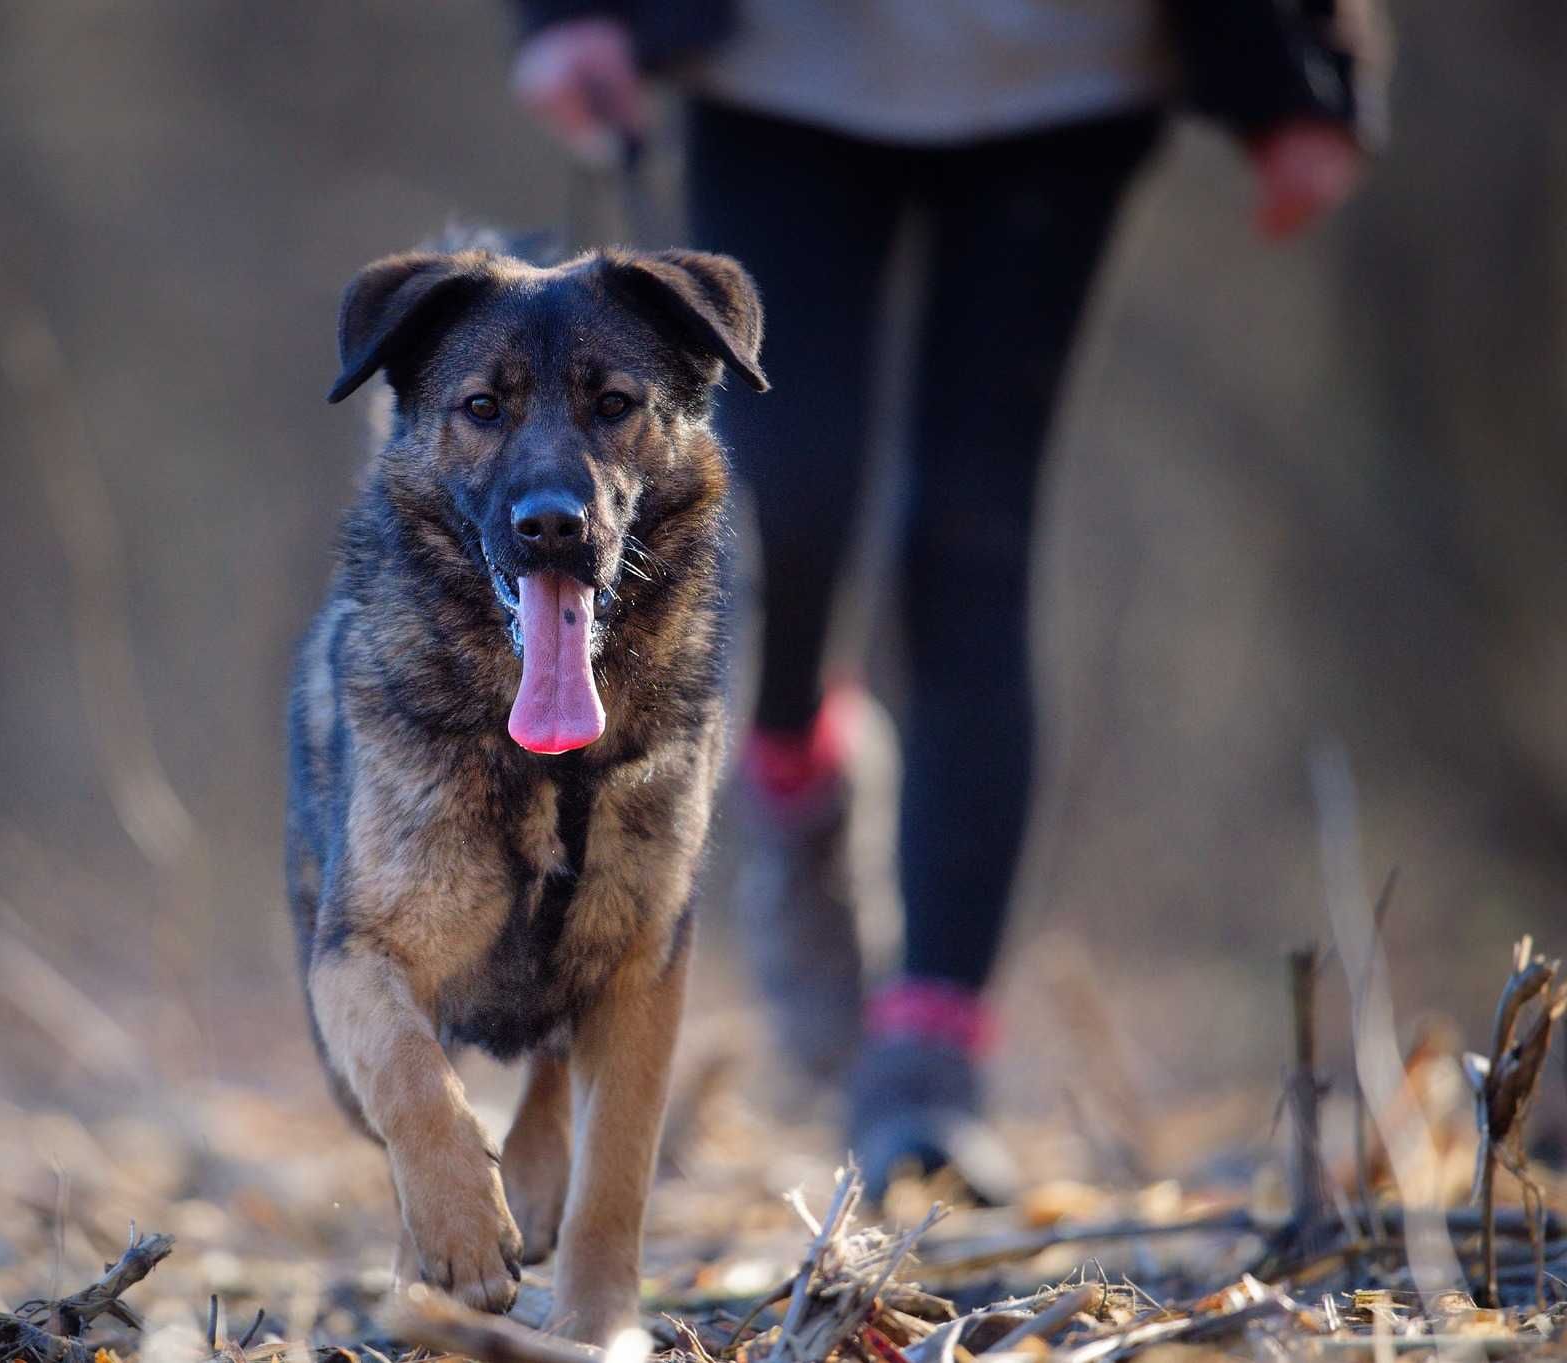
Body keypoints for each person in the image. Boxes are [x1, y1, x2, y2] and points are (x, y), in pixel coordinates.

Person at [506, 0, 1385, 1197]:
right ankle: (795, 778)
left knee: (972, 533)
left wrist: (1303, 67)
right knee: (777, 504)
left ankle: (926, 1057)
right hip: (780, 62)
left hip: (1065, 75)